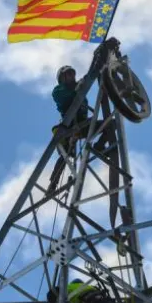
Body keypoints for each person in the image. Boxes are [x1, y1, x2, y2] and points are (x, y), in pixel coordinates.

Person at [47, 38, 120, 194]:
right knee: (66, 154)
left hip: (83, 126)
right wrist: (79, 88)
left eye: (72, 74)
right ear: (62, 79)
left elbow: (90, 74)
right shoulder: (58, 91)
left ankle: (99, 148)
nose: (71, 77)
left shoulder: (80, 86)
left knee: (111, 124)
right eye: (67, 75)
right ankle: (53, 183)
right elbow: (67, 97)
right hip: (69, 128)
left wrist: (100, 60)